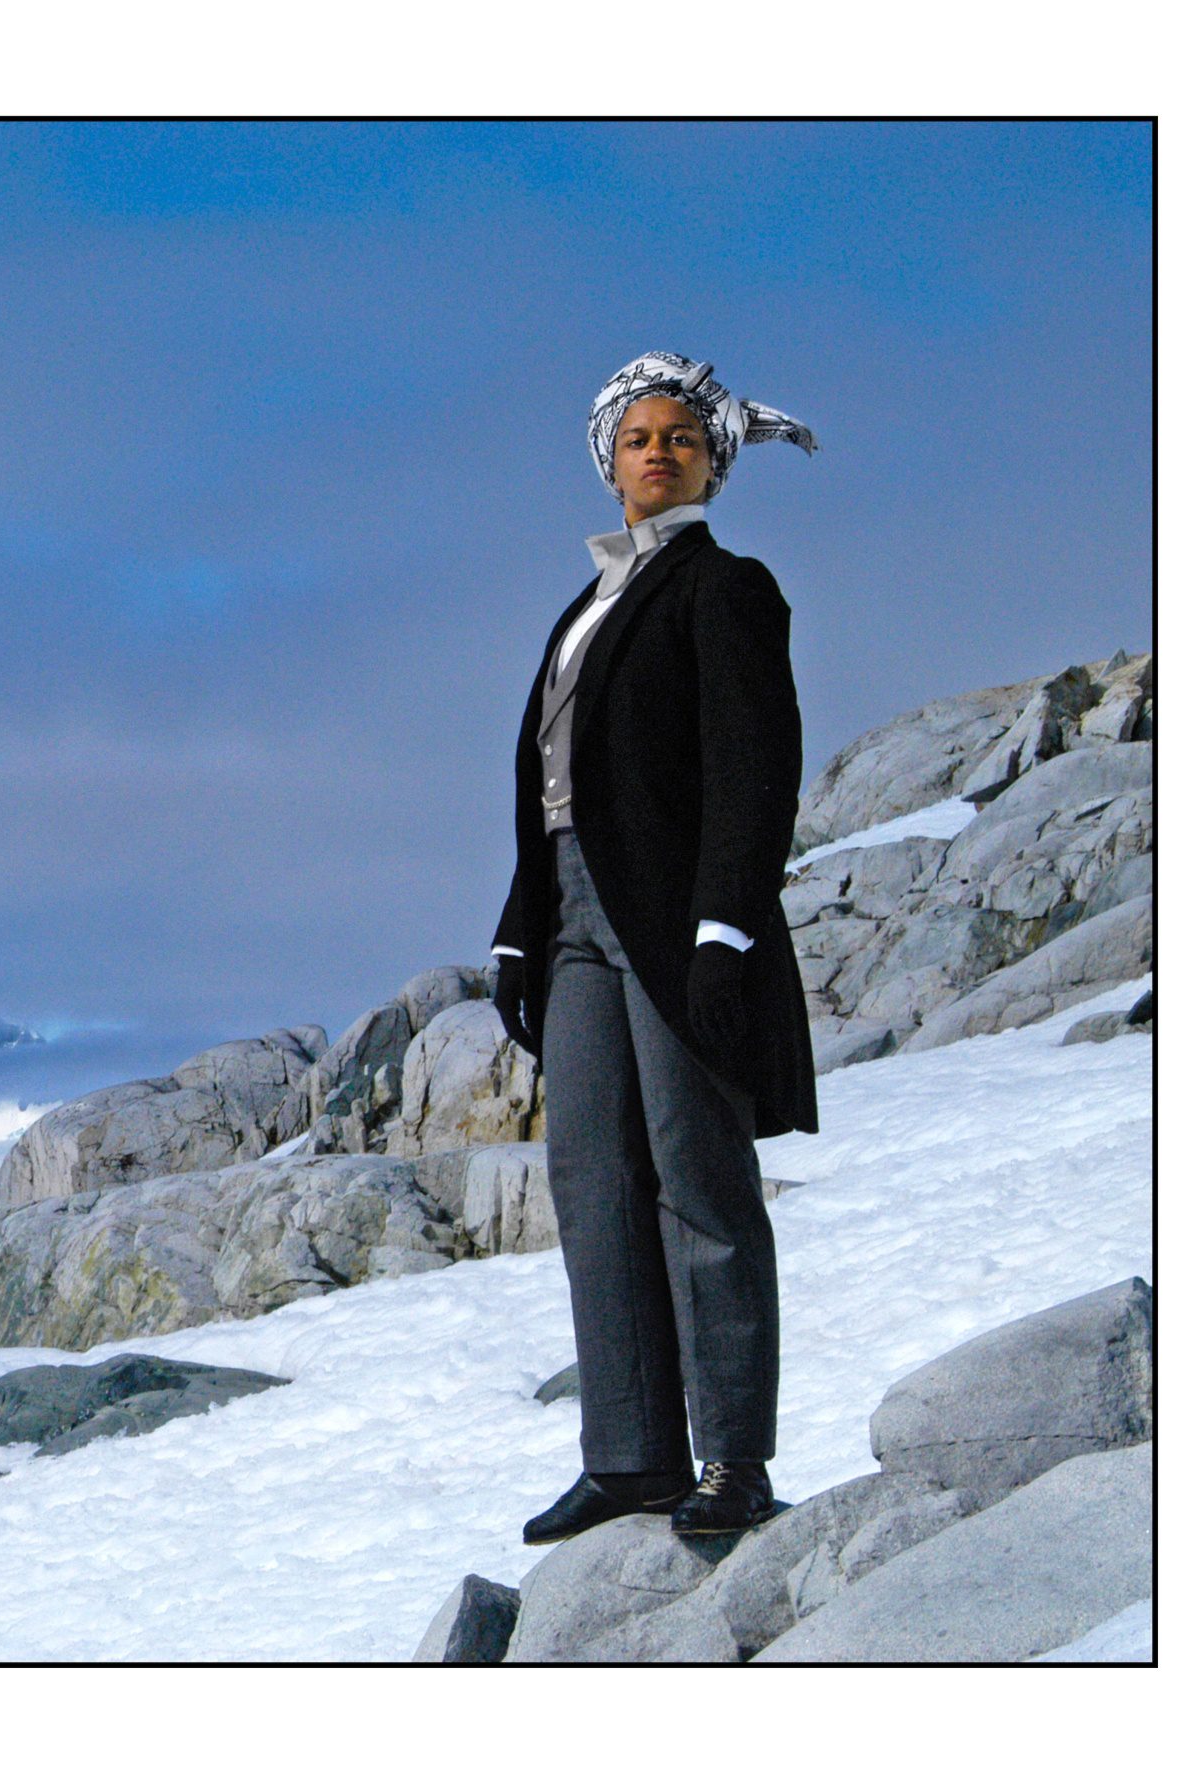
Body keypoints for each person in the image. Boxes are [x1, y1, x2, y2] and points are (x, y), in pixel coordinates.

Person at [487, 350, 823, 1545]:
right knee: (591, 1180)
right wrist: (519, 932)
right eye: (639, 437)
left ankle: (732, 1456)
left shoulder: (723, 587)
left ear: (712, 466)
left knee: (700, 1179)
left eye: (682, 437)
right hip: (574, 913)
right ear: (609, 459)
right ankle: (629, 1454)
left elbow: (753, 768)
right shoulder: (581, 607)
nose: (658, 452)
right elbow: (548, 787)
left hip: (676, 913)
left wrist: (726, 923)